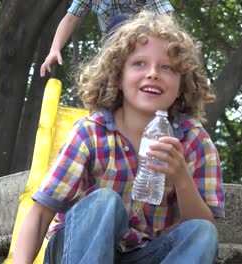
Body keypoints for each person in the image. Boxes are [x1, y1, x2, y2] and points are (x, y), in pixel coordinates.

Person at [14, 10, 225, 264]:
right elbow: (39, 216)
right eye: (139, 64)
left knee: (202, 231)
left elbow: (204, 235)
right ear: (118, 76)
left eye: (167, 67)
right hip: (76, 250)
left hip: (144, 253)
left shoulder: (194, 141)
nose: (153, 73)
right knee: (104, 202)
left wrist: (181, 177)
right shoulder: (90, 132)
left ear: (182, 84)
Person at [39, 0, 174, 77]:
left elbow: (165, 17)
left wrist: (172, 45)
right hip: (112, 46)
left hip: (142, 44)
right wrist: (54, 49)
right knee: (118, 23)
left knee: (124, 20)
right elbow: (70, 19)